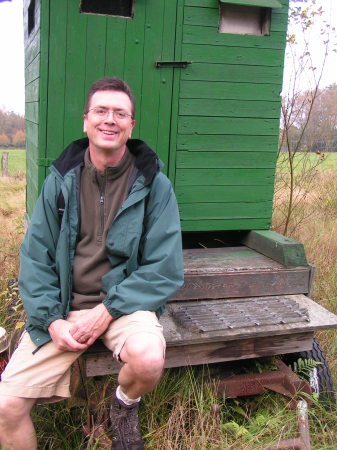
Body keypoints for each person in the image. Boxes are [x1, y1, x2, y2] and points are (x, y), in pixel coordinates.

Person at [0, 77, 184, 450]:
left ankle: (124, 406)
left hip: (123, 308)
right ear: (85, 121)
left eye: (120, 113)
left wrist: (107, 310)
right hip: (63, 311)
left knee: (149, 359)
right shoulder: (59, 182)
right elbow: (35, 258)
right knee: (6, 408)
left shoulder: (153, 185)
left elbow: (164, 267)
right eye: (101, 111)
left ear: (132, 125)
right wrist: (51, 320)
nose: (109, 120)